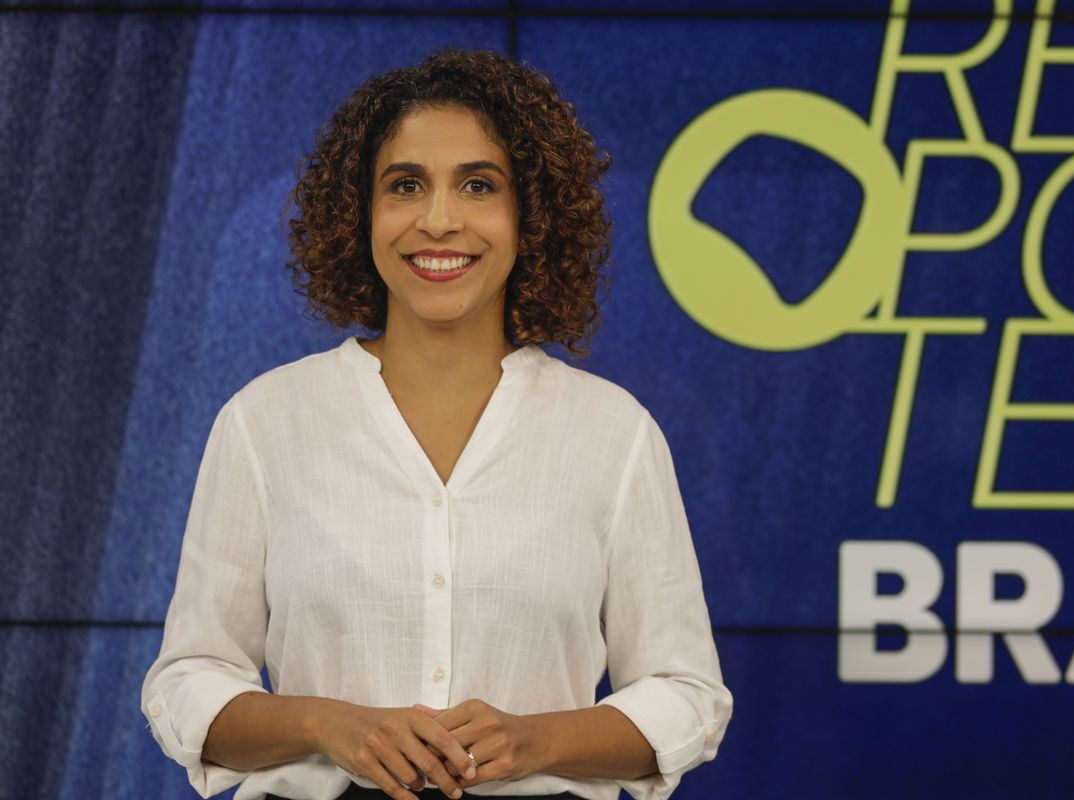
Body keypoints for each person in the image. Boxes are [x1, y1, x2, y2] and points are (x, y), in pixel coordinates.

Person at [140, 49, 731, 800]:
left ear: (531, 215)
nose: (440, 220)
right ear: (360, 213)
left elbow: (686, 694)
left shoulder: (614, 433)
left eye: (479, 185)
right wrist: (327, 723)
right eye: (406, 185)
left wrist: (536, 739)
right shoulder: (264, 422)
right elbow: (188, 682)